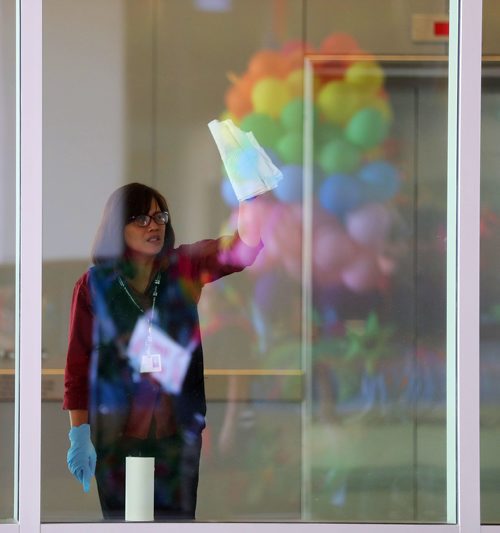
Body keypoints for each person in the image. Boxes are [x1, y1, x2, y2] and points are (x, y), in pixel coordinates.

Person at [63, 182, 262, 520]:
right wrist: (79, 432)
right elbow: (78, 367)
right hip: (114, 436)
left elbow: (244, 249)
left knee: (176, 525)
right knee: (119, 525)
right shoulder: (94, 285)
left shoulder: (184, 266)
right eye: (141, 218)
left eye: (160, 217)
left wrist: (249, 196)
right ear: (118, 227)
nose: (154, 225)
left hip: (176, 433)